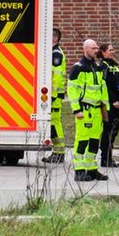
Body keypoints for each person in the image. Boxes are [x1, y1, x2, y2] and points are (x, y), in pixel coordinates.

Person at [67, 39, 110, 182]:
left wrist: (106, 108)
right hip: (84, 110)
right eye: (93, 48)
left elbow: (102, 89)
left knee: (94, 141)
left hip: (97, 111)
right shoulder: (78, 68)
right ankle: (79, 171)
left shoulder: (97, 67)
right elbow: (72, 91)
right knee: (82, 141)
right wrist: (76, 110)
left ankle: (92, 169)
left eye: (97, 47)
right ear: (85, 49)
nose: (96, 50)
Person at [42, 27, 68, 164]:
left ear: (55, 38)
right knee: (53, 123)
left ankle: (59, 152)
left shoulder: (56, 54)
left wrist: (52, 96)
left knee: (54, 123)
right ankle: (58, 152)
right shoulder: (53, 52)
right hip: (55, 95)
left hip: (55, 96)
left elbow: (57, 77)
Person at [98, 42, 119, 168]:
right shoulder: (103, 66)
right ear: (103, 52)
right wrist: (113, 99)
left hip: (116, 102)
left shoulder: (114, 65)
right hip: (109, 105)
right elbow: (105, 86)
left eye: (113, 49)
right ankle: (105, 159)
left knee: (114, 132)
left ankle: (109, 157)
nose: (112, 51)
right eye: (110, 50)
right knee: (108, 132)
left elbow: (116, 86)